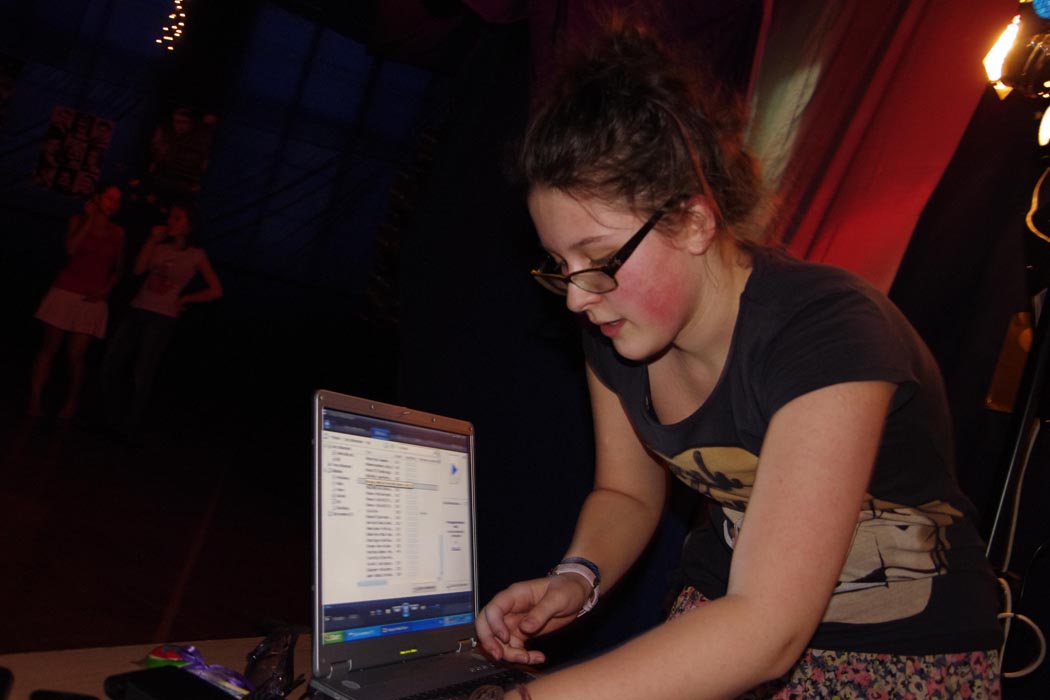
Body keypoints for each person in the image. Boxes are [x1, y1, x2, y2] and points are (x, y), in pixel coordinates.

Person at [474, 20, 1003, 700]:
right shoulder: (617, 325)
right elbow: (627, 494)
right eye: (560, 264)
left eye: (599, 258)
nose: (577, 296)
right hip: (730, 611)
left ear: (695, 221)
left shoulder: (828, 330)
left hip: (902, 649)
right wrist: (577, 577)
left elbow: (766, 631)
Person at [102, 202, 222, 436]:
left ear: (189, 226)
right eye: (171, 217)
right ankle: (110, 418)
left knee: (142, 372)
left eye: (177, 218)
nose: (170, 222)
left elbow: (216, 290)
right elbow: (138, 269)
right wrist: (151, 239)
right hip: (138, 309)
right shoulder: (159, 247)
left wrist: (186, 298)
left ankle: (130, 426)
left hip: (162, 317)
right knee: (112, 362)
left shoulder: (196, 255)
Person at [29, 185, 125, 419]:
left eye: (117, 200)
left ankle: (71, 402)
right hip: (66, 290)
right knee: (49, 348)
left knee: (76, 355)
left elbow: (118, 270)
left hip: (92, 298)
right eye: (109, 198)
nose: (113, 203)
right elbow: (71, 249)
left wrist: (107, 289)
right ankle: (35, 400)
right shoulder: (77, 221)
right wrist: (88, 219)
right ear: (98, 198)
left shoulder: (118, 233)